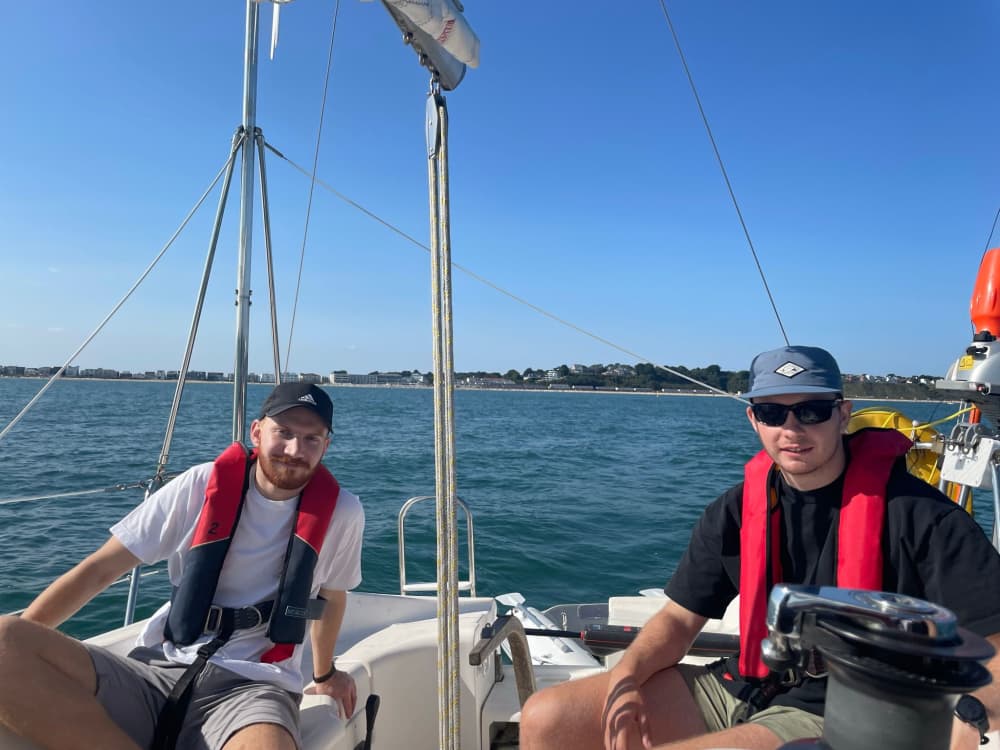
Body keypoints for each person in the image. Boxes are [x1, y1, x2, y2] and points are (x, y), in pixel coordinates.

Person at [520, 345, 1000, 750]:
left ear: (843, 414)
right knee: (547, 717)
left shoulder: (924, 518)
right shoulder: (736, 510)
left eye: (811, 410)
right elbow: (677, 620)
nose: (792, 429)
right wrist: (624, 678)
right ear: (754, 420)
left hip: (846, 710)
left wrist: (970, 712)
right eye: (773, 412)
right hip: (747, 684)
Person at [0, 382, 364, 750]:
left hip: (253, 689)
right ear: (257, 431)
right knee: (2, 639)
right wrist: (25, 654)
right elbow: (100, 569)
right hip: (155, 669)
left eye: (310, 439)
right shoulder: (201, 484)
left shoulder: (343, 513)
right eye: (283, 433)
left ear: (325, 446)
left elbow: (331, 597)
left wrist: (325, 674)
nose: (294, 450)